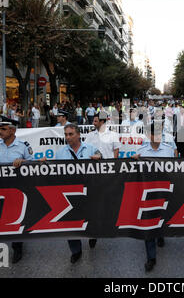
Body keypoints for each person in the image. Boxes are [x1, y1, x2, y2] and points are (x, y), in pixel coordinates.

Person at [0, 119, 34, 263]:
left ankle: (17, 247)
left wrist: (23, 162)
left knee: (16, 218)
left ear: (12, 130)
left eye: (3, 129)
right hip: (0, 188)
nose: (0, 131)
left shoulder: (23, 146)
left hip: (18, 189)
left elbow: (33, 164)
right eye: (0, 129)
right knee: (1, 217)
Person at [54, 124, 102, 263]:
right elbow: (55, 173)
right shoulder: (61, 153)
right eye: (66, 134)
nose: (68, 137)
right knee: (71, 224)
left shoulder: (91, 149)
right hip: (69, 194)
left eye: (71, 134)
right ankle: (76, 251)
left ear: (79, 135)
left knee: (91, 218)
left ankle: (93, 236)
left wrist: (99, 157)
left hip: (89, 192)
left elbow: (102, 159)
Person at [131, 121, 175, 272]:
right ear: (148, 135)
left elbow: (174, 170)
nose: (157, 136)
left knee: (161, 217)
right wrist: (134, 161)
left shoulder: (168, 150)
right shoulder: (141, 151)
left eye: (159, 133)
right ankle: (151, 258)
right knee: (149, 223)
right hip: (148, 192)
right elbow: (136, 173)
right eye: (153, 133)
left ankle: (160, 234)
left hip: (164, 191)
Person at [84, 112, 121, 248]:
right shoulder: (89, 135)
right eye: (93, 121)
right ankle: (94, 232)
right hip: (93, 171)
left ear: (102, 122)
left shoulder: (113, 135)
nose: (93, 123)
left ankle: (109, 222)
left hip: (108, 170)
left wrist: (114, 167)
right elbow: (86, 150)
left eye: (95, 121)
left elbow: (116, 151)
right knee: (94, 199)